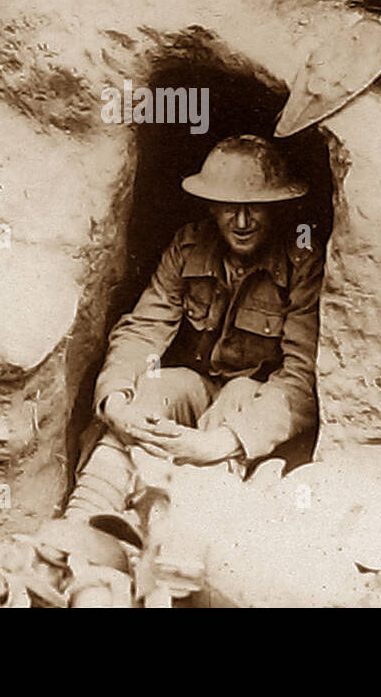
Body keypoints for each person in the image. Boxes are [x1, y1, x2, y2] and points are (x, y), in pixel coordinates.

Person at [63, 134, 322, 522]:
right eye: (229, 207)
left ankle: (176, 532)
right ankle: (83, 521)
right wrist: (115, 401)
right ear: (211, 205)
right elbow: (144, 330)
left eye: (256, 207)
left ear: (278, 208)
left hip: (252, 415)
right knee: (155, 386)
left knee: (238, 392)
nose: (243, 221)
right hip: (195, 393)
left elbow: (300, 379)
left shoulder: (301, 262)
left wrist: (220, 442)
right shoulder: (189, 247)